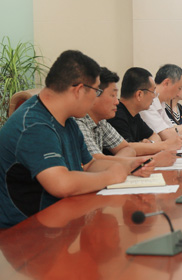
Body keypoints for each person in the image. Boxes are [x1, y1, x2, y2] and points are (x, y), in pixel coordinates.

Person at [0, 50, 145, 228]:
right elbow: (61, 184)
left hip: (61, 223)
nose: (95, 98)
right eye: (96, 91)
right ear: (78, 90)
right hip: (26, 233)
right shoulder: (34, 125)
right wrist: (110, 176)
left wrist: (130, 165)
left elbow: (89, 165)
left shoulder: (68, 120)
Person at [76, 67, 176, 168]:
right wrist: (150, 160)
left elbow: (128, 149)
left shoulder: (101, 122)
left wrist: (115, 163)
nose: (117, 101)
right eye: (112, 95)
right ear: (94, 95)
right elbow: (94, 163)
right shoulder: (78, 122)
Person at [107, 67, 182, 156]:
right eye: (153, 92)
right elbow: (126, 148)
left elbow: (155, 136)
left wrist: (149, 144)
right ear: (139, 94)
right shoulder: (116, 115)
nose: (154, 96)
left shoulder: (135, 114)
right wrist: (164, 145)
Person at [139, 64, 182, 140]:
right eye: (179, 88)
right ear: (166, 83)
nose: (178, 93)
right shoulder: (149, 101)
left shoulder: (161, 102)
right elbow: (166, 136)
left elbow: (170, 128)